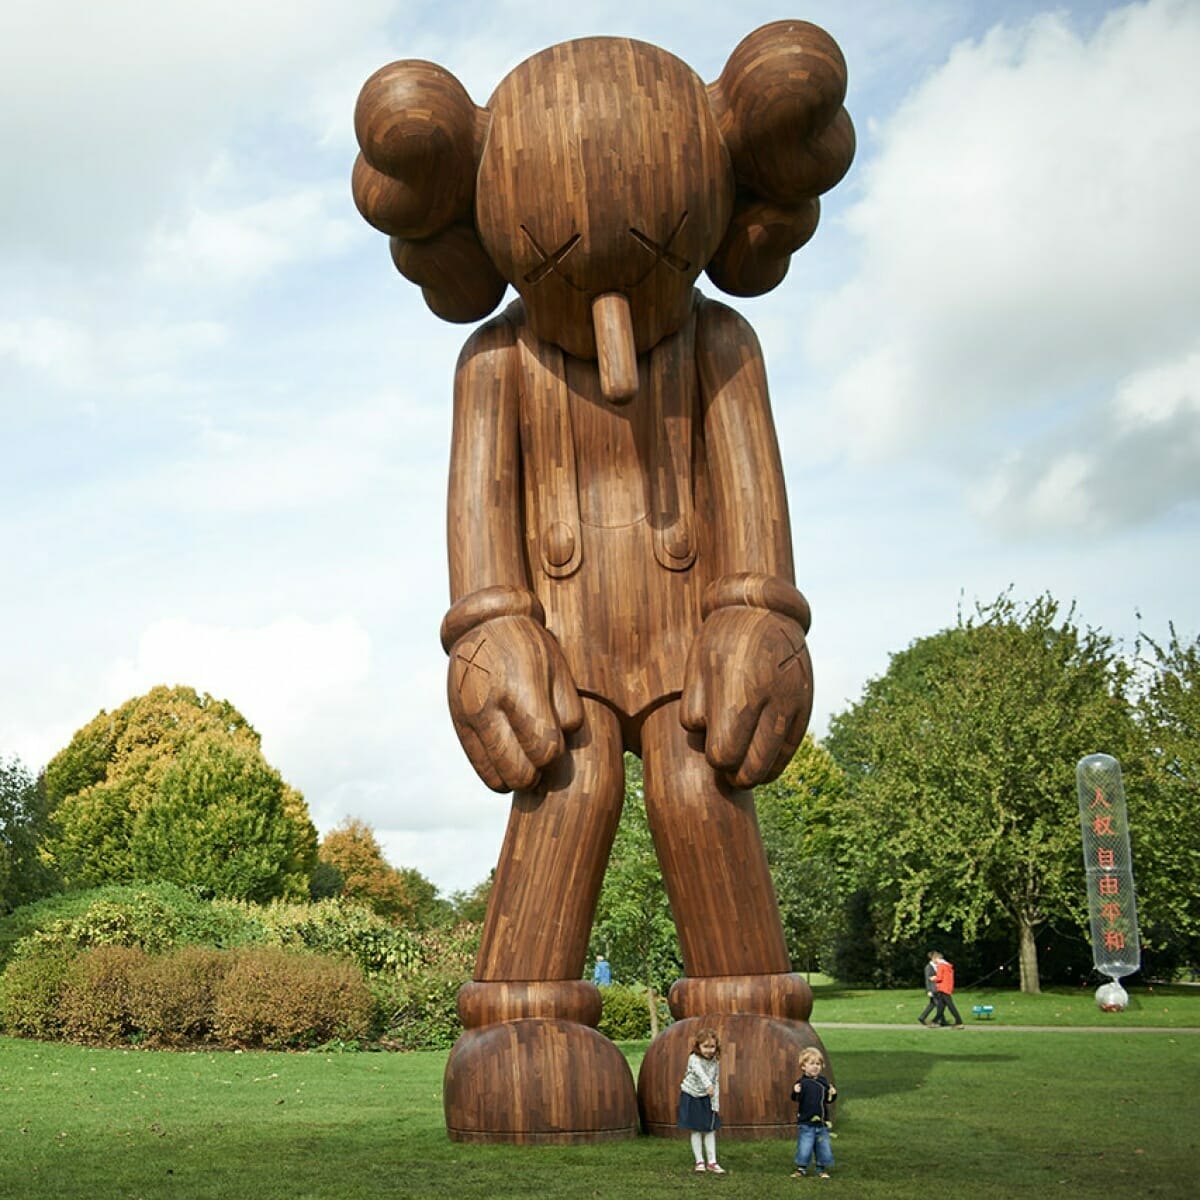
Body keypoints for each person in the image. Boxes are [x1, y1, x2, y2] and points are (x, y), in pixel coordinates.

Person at [678, 1028, 724, 1173]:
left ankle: (712, 1162)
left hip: (707, 1097)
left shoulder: (715, 1061)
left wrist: (715, 1103)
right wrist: (707, 1085)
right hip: (691, 1095)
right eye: (705, 1046)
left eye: (712, 1047)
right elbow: (700, 1073)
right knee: (696, 1130)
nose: (709, 1050)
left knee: (710, 1130)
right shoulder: (694, 1059)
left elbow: (715, 1080)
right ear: (698, 1047)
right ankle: (699, 1161)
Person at [790, 1047, 837, 1178]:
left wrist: (832, 1094)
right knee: (805, 1146)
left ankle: (821, 1169)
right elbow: (795, 1098)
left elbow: (828, 1100)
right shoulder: (802, 1083)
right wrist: (796, 1092)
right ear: (803, 1067)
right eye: (811, 1064)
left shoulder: (824, 1082)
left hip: (822, 1122)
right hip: (806, 1122)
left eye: (818, 1064)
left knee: (823, 1146)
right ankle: (801, 1168)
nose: (815, 1067)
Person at [932, 951, 965, 1028]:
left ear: (936, 958)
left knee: (950, 1006)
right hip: (947, 987)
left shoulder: (941, 966)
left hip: (943, 988)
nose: (934, 962)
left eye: (933, 960)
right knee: (940, 1006)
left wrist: (934, 978)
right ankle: (934, 1021)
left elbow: (939, 978)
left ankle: (959, 1022)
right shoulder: (948, 966)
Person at [917, 950, 939, 1026]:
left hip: (937, 989)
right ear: (932, 958)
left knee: (932, 1005)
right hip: (933, 989)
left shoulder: (937, 966)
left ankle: (922, 1017)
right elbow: (927, 979)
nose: (938, 959)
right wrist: (929, 991)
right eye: (936, 957)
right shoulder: (928, 967)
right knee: (939, 1005)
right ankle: (941, 1020)